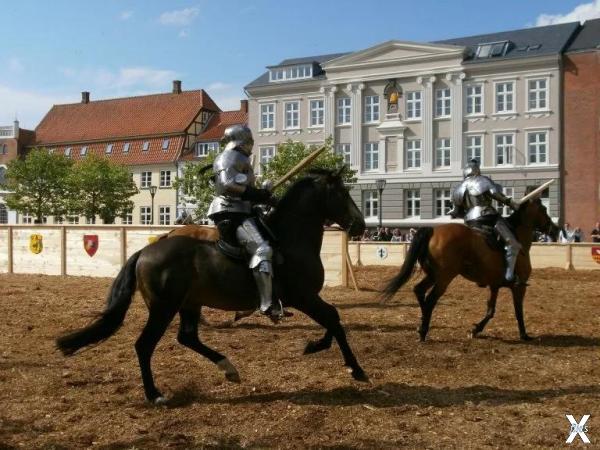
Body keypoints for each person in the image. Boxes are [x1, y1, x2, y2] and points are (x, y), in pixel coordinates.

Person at [207, 124, 283, 320]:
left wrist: (264, 197)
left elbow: (245, 191)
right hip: (230, 212)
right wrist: (258, 194)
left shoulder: (240, 158)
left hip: (241, 210)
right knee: (262, 250)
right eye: (249, 140)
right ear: (241, 141)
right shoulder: (229, 157)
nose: (252, 144)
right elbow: (227, 184)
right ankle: (266, 305)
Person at [448, 158, 521, 283]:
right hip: (488, 217)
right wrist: (512, 204)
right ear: (477, 170)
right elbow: (497, 195)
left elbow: (455, 212)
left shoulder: (458, 189)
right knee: (512, 243)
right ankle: (509, 276)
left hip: (470, 222)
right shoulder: (483, 180)